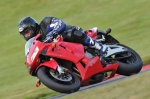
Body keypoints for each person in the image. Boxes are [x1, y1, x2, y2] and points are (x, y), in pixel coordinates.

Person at [18, 16, 107, 54]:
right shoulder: (36, 42)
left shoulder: (45, 23)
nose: (27, 35)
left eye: (27, 32)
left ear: (33, 27)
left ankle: (98, 45)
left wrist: (53, 32)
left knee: (69, 34)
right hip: (62, 51)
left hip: (69, 35)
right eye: (24, 34)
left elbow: (60, 23)